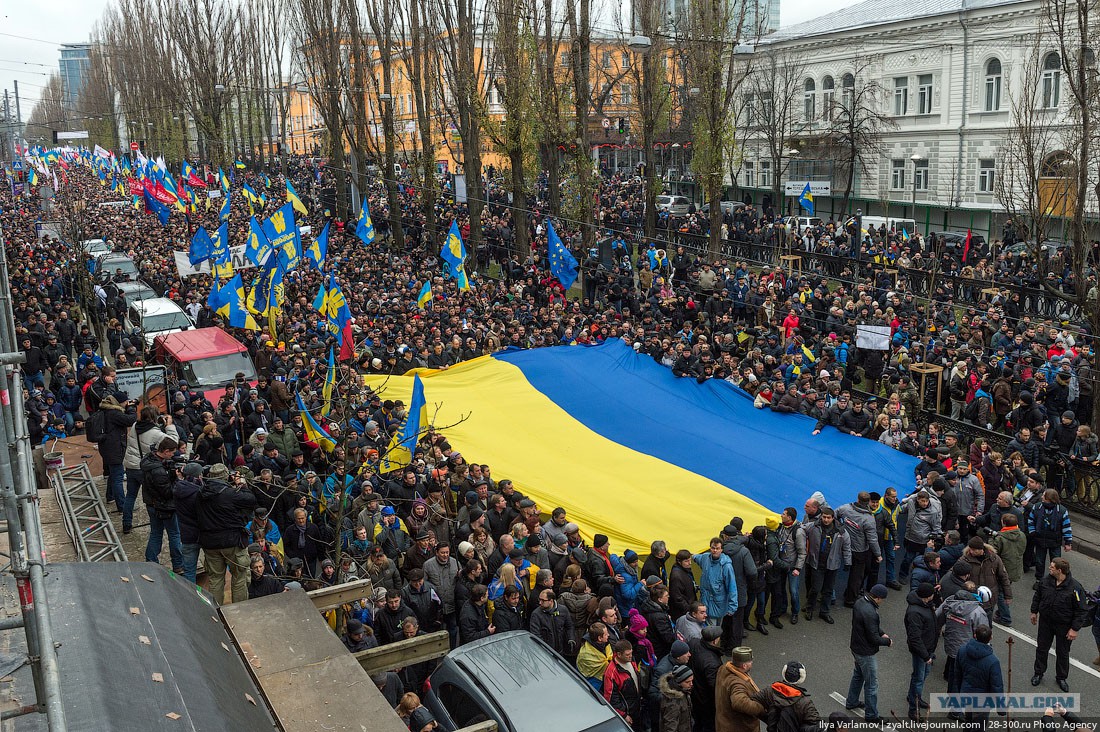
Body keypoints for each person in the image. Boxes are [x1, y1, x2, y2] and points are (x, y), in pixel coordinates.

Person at [196, 463, 256, 604]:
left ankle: (216, 610)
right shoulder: (229, 494)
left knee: (215, 579)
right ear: (226, 476)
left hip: (210, 542)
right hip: (232, 541)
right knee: (239, 578)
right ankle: (240, 609)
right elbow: (251, 500)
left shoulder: (201, 493)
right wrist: (242, 484)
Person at [1031, 557, 1089, 691]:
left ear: (1060, 570)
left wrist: (1074, 629)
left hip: (1064, 626)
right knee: (1042, 648)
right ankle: (1038, 673)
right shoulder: (1045, 581)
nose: (1049, 568)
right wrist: (1034, 611)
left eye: (1052, 567)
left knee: (1062, 652)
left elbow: (1081, 610)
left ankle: (1061, 677)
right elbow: (1037, 596)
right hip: (1046, 622)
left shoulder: (1075, 588)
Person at [123, 405, 180, 531]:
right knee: (152, 496)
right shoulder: (155, 433)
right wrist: (169, 426)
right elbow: (173, 443)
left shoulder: (135, 426)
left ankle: (126, 523)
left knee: (130, 495)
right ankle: (157, 521)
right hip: (144, 467)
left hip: (130, 465)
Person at [844, 584, 891, 724]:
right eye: (882, 599)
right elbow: (873, 637)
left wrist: (881, 632)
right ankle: (871, 715)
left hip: (856, 646)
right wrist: (887, 641)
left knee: (858, 675)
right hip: (865, 652)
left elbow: (870, 626)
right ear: (878, 598)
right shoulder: (871, 612)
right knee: (871, 684)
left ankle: (852, 701)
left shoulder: (860, 602)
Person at [140, 437, 184, 571]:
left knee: (156, 533)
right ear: (166, 451)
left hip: (151, 503)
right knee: (174, 534)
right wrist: (178, 479)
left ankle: (151, 561)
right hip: (164, 506)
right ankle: (178, 564)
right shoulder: (158, 471)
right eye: (172, 452)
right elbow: (167, 492)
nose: (173, 455)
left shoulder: (148, 460)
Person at [94, 395, 137, 524]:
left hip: (107, 447)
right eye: (125, 402)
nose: (126, 403)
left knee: (113, 473)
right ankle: (122, 506)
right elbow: (131, 420)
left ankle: (110, 496)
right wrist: (131, 408)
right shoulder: (114, 413)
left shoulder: (105, 410)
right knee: (118, 476)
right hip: (114, 449)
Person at [937, 586, 990, 692]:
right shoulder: (977, 612)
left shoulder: (949, 602)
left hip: (951, 645)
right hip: (968, 650)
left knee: (952, 674)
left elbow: (937, 617)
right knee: (963, 678)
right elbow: (983, 633)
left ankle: (951, 695)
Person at [803, 507, 850, 623]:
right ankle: (810, 608)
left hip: (832, 565)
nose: (826, 520)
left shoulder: (841, 531)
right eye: (824, 517)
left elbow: (846, 547)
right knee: (815, 589)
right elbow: (801, 529)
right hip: (817, 563)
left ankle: (824, 612)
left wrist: (848, 562)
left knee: (828, 590)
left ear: (833, 518)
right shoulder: (813, 526)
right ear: (821, 517)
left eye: (828, 518)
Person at [954, 625, 1005, 724]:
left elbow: (957, 675)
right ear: (991, 638)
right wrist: (1001, 707)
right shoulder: (993, 661)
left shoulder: (962, 651)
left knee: (968, 721)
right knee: (979, 726)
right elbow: (996, 686)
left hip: (966, 694)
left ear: (975, 635)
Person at [904, 582, 938, 719]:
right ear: (927, 596)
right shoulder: (915, 612)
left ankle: (913, 697)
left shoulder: (925, 605)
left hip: (927, 648)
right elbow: (915, 638)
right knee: (919, 678)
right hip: (922, 651)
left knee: (922, 675)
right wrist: (925, 656)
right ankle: (914, 709)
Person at [759, 661, 821, 732]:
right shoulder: (805, 703)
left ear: (784, 673)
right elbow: (817, 725)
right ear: (801, 678)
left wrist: (768, 718)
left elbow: (753, 704)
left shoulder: (769, 691)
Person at [693, 538, 738, 636]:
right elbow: (696, 557)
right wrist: (690, 555)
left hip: (719, 604)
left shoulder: (726, 566)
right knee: (711, 631)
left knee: (715, 630)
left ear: (721, 550)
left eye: (717, 548)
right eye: (713, 548)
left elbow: (732, 587)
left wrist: (732, 606)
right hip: (707, 602)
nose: (715, 550)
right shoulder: (705, 558)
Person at [715, 646, 765, 732]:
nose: (752, 663)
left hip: (724, 721)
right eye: (750, 661)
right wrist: (761, 707)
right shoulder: (737, 684)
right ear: (744, 666)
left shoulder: (723, 668)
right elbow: (739, 702)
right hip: (738, 727)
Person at [1028, 489, 1073, 579]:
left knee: (1057, 562)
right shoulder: (1037, 507)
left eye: (1044, 496)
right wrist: (1032, 532)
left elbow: (1066, 527)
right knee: (1039, 561)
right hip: (1040, 540)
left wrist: (1068, 542)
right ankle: (1039, 579)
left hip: (1055, 542)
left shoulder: (1062, 511)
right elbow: (1031, 520)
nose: (1041, 497)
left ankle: (1055, 579)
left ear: (1049, 499)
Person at [990, 514, 1026, 625]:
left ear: (1003, 523)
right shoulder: (1022, 535)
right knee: (1006, 589)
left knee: (1001, 593)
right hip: (1014, 568)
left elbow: (993, 552)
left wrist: (991, 539)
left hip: (1003, 569)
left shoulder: (1000, 538)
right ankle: (1001, 613)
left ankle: (1005, 617)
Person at [690, 626, 725, 732]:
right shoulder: (712, 663)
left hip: (694, 692)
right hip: (705, 700)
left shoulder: (693, 643)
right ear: (714, 641)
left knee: (697, 722)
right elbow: (714, 686)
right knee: (708, 725)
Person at [603, 639, 643, 728]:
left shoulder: (632, 661)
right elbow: (611, 698)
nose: (630, 656)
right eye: (627, 654)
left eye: (631, 653)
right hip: (628, 713)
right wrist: (623, 715)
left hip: (637, 707)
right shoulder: (611, 673)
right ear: (619, 654)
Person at [529, 589, 576, 657]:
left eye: (543, 600)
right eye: (539, 599)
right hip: (546, 653)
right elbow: (536, 635)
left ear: (551, 601)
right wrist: (545, 650)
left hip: (561, 651)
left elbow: (570, 626)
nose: (540, 603)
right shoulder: (536, 614)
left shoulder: (563, 610)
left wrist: (571, 638)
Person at [578, 622, 614, 691]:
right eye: (606, 634)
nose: (608, 635)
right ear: (600, 638)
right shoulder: (586, 654)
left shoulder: (606, 644)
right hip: (593, 681)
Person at [658, 665, 694, 732]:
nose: (691, 684)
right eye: (687, 682)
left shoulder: (684, 692)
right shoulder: (673, 702)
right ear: (679, 682)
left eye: (692, 681)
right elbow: (670, 728)